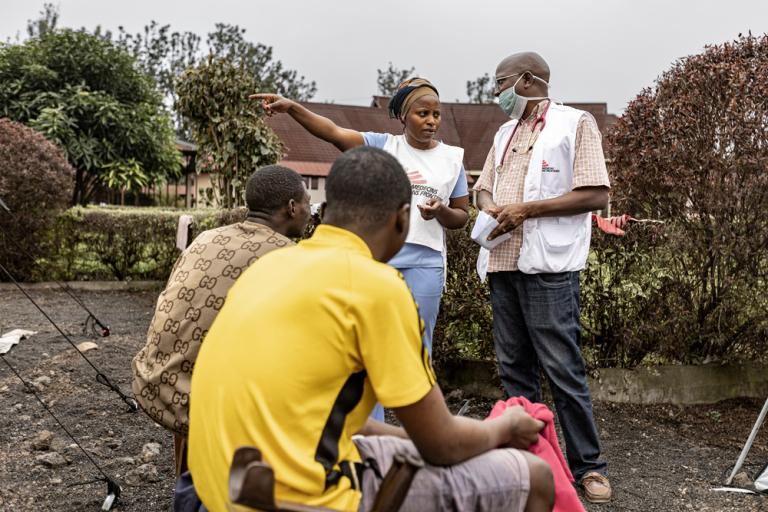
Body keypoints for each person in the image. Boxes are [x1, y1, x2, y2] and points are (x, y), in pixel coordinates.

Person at [186, 147, 555, 512]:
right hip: (300, 500)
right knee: (535, 476)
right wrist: (504, 428)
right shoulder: (376, 286)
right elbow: (443, 445)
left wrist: (421, 441)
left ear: (325, 212)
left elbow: (333, 417)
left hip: (223, 488)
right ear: (402, 219)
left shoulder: (270, 266)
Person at [473, 51, 612, 504]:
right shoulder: (503, 131)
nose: (496, 93)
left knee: (562, 369)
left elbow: (595, 192)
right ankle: (529, 464)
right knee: (514, 370)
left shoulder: (576, 124)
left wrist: (527, 210)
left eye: (501, 83)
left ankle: (588, 467)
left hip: (548, 268)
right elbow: (483, 186)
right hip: (502, 261)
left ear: (528, 80)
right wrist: (491, 205)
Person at [250, 78, 469, 361]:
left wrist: (440, 211)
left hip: (425, 262)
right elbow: (332, 132)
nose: (431, 121)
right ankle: (373, 407)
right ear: (403, 116)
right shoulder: (383, 146)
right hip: (379, 257)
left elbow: (461, 216)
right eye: (422, 113)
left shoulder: (452, 158)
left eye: (436, 114)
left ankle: (413, 404)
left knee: (417, 344)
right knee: (370, 344)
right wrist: (292, 107)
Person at [131, 165, 311, 476]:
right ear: (293, 207)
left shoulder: (205, 238)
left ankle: (185, 483)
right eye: (308, 202)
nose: (310, 211)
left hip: (154, 380)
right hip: (204, 405)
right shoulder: (289, 257)